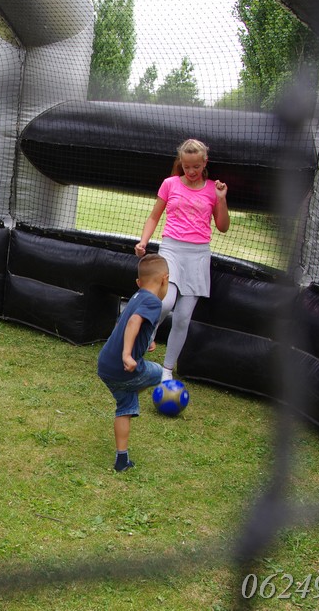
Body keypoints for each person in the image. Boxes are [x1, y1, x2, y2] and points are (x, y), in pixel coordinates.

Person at [134, 138, 230, 382]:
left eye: (196, 166)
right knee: (166, 303)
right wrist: (143, 241)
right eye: (186, 166)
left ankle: (167, 370)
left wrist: (221, 199)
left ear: (205, 162)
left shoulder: (213, 189)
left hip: (198, 254)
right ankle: (147, 334)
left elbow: (223, 227)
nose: (191, 171)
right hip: (171, 248)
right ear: (181, 163)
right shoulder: (170, 184)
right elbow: (154, 216)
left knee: (183, 316)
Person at [96, 254, 171, 472]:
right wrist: (127, 355)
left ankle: (122, 460)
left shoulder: (137, 296)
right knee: (159, 373)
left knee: (126, 407)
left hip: (105, 365)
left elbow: (127, 323)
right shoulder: (154, 302)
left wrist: (147, 340)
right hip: (123, 368)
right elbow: (134, 322)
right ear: (165, 279)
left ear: (139, 282)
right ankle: (135, 387)